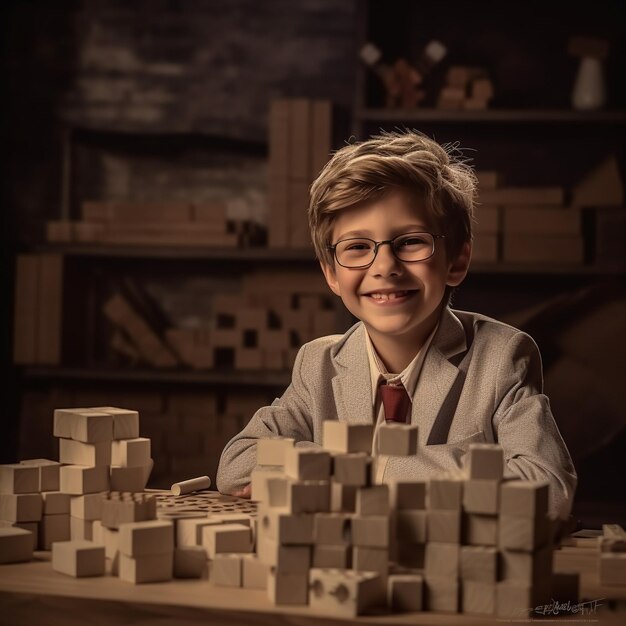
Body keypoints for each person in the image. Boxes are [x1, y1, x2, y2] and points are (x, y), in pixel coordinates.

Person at [216, 129, 577, 519]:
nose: (384, 267)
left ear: (456, 260)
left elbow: (547, 486)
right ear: (332, 275)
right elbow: (238, 463)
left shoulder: (501, 357)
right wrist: (457, 470)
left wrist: (374, 470)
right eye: (357, 247)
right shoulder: (318, 363)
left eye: (410, 242)